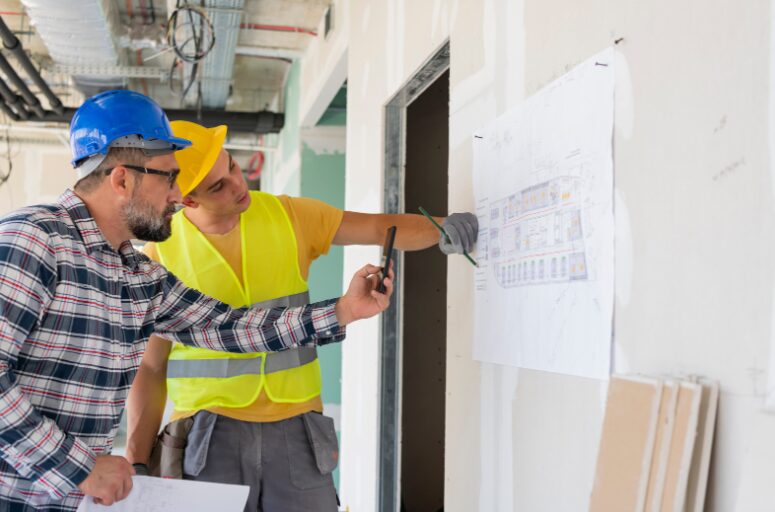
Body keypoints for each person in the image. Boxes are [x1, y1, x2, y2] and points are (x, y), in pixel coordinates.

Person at [0, 91, 394, 512]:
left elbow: (230, 328)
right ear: (121, 179)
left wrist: (343, 311)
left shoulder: (139, 276)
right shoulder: (34, 240)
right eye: (169, 178)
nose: (177, 195)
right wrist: (79, 468)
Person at [124, 120, 478, 511]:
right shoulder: (160, 257)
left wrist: (441, 228)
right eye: (218, 187)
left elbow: (378, 227)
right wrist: (136, 457)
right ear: (187, 199)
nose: (239, 185)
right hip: (207, 434)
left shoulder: (289, 216)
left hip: (298, 428)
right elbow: (151, 368)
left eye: (234, 168)